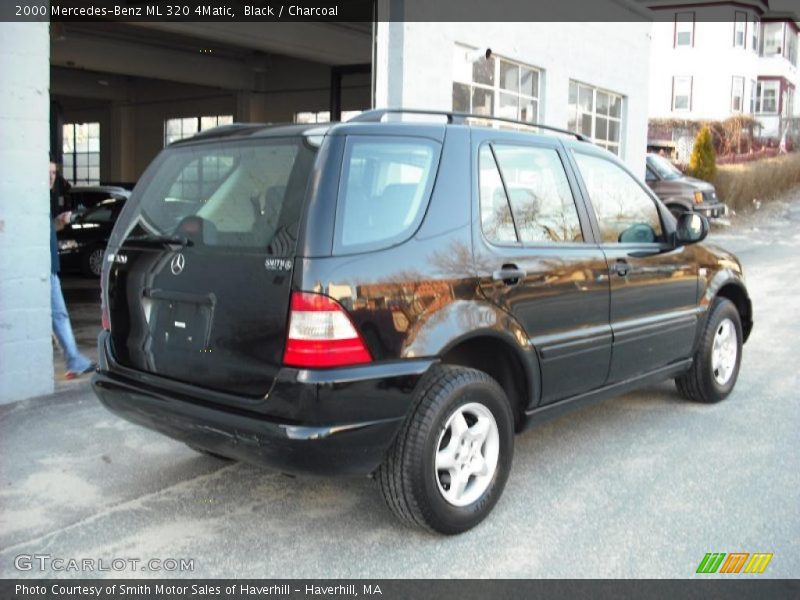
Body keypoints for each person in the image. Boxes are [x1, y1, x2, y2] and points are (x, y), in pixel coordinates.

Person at [49, 160, 95, 379]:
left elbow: (48, 232)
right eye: (47, 172)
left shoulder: (44, 200)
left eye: (54, 173)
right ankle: (73, 359)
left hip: (49, 268)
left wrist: (59, 223)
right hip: (45, 271)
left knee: (58, 316)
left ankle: (73, 359)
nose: (51, 177)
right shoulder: (35, 199)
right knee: (58, 315)